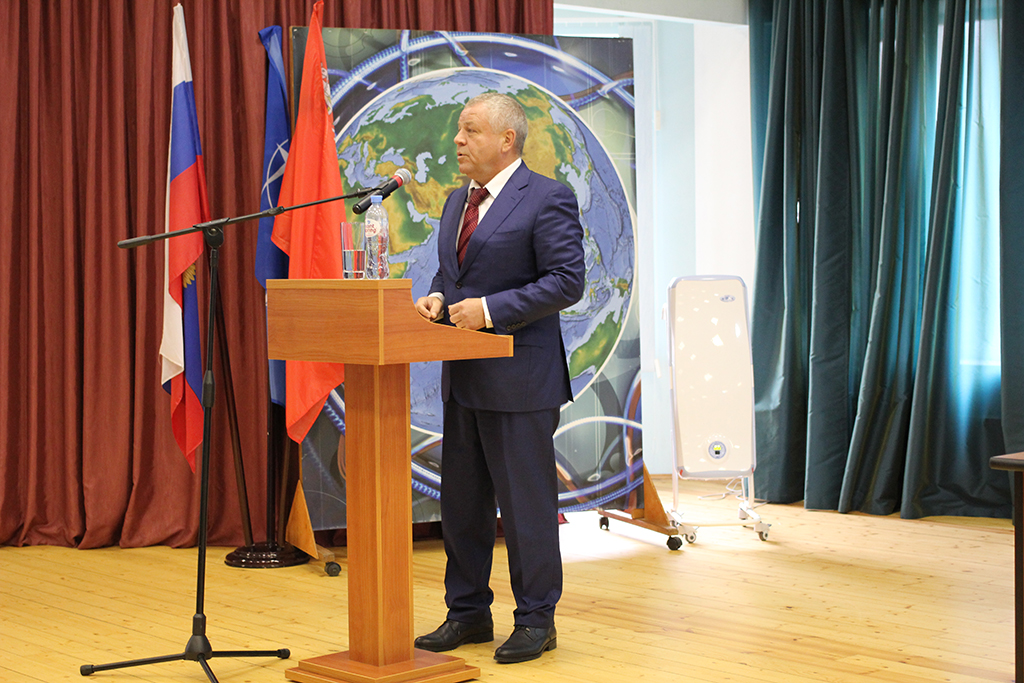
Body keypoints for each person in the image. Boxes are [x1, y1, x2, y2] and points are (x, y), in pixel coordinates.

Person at [413, 92, 585, 664]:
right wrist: (439, 296)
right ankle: (467, 613)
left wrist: (488, 310)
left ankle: (536, 619)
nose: (457, 140)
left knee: (525, 508)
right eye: (459, 131)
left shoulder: (547, 197)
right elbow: (454, 272)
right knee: (462, 506)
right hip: (464, 378)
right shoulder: (456, 200)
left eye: (470, 130)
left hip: (520, 380)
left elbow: (566, 281)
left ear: (507, 140)